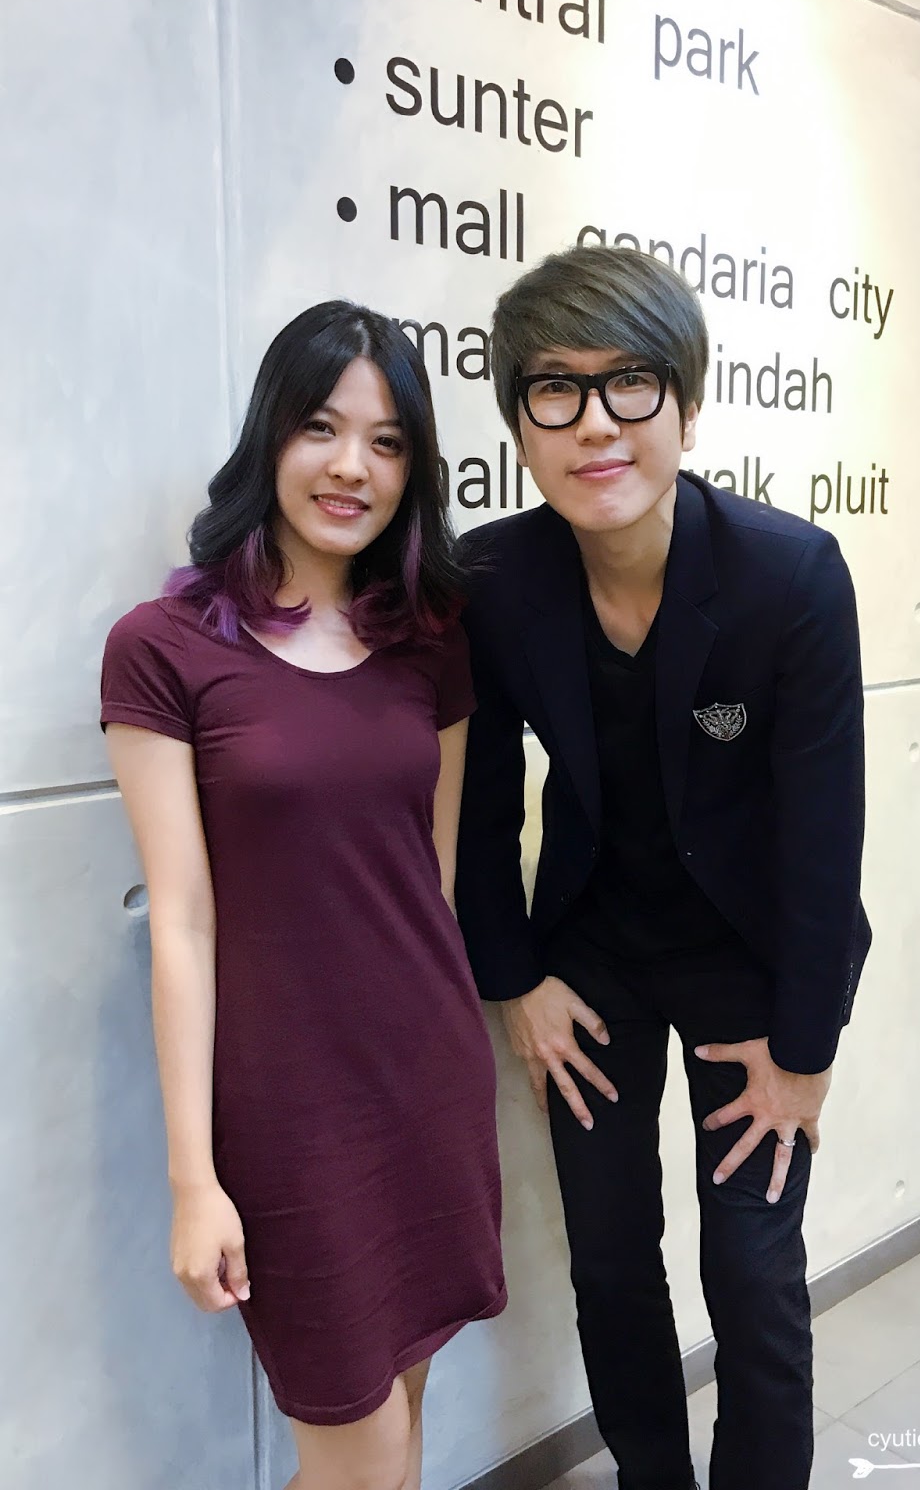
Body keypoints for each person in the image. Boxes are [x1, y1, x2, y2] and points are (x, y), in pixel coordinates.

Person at [455, 247, 870, 1490]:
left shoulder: (788, 575)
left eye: (630, 383)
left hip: (747, 958)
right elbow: (478, 808)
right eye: (555, 390)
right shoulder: (495, 581)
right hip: (591, 953)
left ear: (686, 405)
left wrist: (806, 1052)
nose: (595, 423)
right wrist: (515, 980)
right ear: (520, 424)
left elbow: (825, 838)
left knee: (751, 1272)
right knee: (610, 1255)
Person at [101, 302, 505, 1490]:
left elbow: (430, 880)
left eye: (387, 442)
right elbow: (181, 925)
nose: (351, 467)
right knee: (360, 1451)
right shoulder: (164, 647)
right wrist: (194, 1177)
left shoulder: (431, 640)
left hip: (426, 1077)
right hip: (287, 1110)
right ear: (270, 433)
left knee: (403, 1423)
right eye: (322, 427)